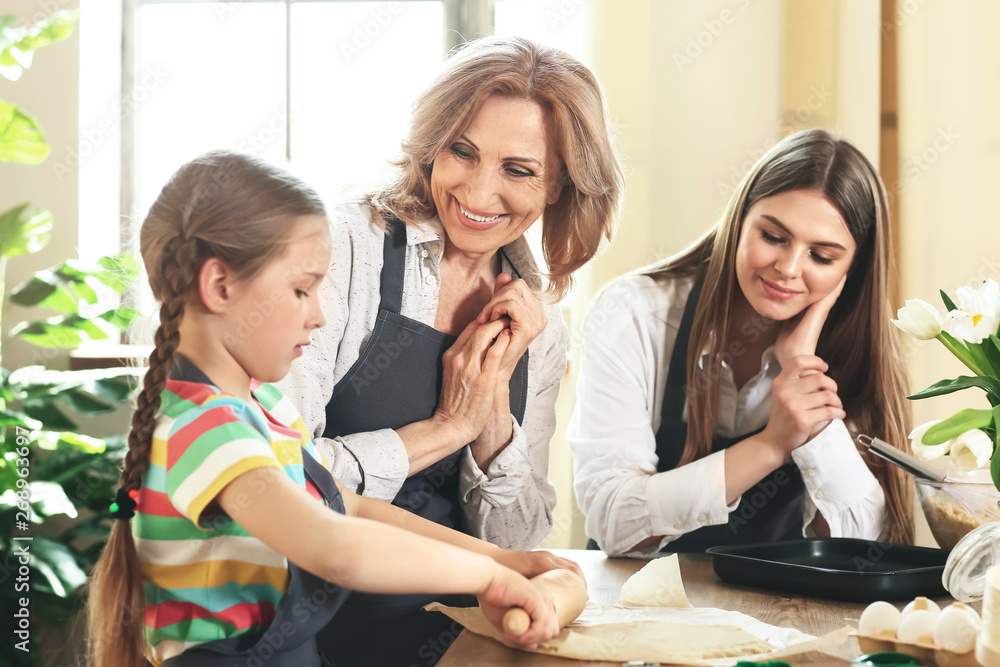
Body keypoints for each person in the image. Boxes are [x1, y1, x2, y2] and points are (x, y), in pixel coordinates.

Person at [85, 151, 581, 667]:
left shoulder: (264, 408)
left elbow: (351, 506)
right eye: (301, 290)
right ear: (219, 286)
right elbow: (335, 548)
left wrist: (503, 558)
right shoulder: (205, 428)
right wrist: (489, 579)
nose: (320, 316)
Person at [276, 36, 623, 664]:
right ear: (432, 144)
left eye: (518, 170)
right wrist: (445, 429)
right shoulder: (346, 248)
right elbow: (284, 477)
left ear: (560, 187)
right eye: (462, 151)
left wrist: (491, 420)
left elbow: (518, 534)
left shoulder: (538, 322)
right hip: (306, 614)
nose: (477, 191)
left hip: (462, 623)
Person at [568, 129, 914, 557]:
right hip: (640, 606)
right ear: (740, 221)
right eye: (772, 237)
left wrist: (804, 376)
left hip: (781, 616)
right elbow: (614, 523)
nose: (788, 268)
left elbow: (863, 549)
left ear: (853, 270)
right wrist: (771, 445)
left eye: (821, 257)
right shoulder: (635, 314)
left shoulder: (855, 352)